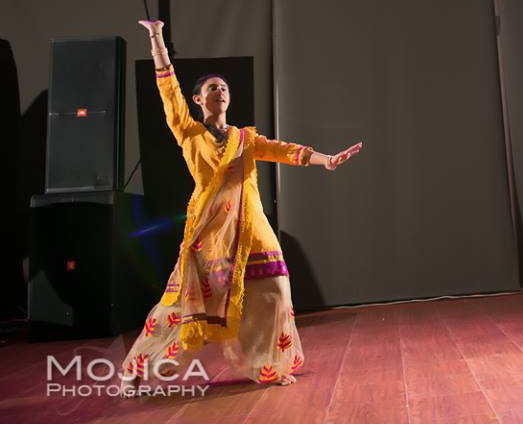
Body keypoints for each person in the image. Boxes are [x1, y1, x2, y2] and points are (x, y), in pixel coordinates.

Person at [120, 19, 362, 395]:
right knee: (183, 303)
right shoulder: (189, 132)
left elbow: (284, 151)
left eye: (224, 88)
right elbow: (168, 90)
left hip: (250, 226)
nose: (220, 91)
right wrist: (156, 38)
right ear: (199, 100)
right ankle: (140, 366)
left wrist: (326, 159)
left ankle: (268, 365)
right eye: (212, 88)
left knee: (275, 292)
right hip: (210, 232)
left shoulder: (245, 139)